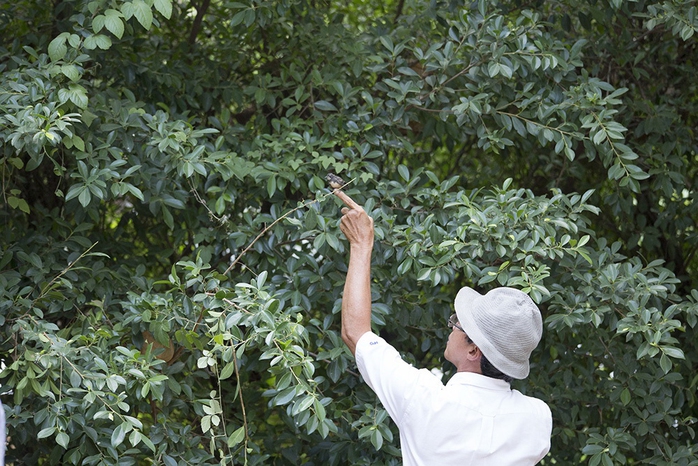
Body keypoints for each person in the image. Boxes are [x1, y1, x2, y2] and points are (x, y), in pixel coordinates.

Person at [335, 189, 552, 466]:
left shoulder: (425, 400)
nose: (452, 326)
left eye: (458, 324)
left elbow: (355, 332)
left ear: (474, 349)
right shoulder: (537, 419)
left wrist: (361, 243)